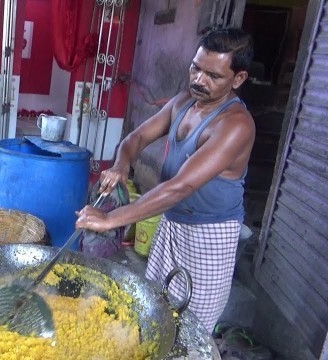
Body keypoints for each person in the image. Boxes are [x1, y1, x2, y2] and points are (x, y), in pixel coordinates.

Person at [75, 27, 255, 333]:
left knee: (191, 328)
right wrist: (121, 164)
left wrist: (110, 219)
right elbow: (137, 137)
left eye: (213, 75)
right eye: (196, 68)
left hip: (209, 235)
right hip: (171, 222)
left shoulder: (235, 126)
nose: (199, 80)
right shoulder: (184, 101)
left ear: (238, 79)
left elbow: (180, 186)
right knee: (155, 311)